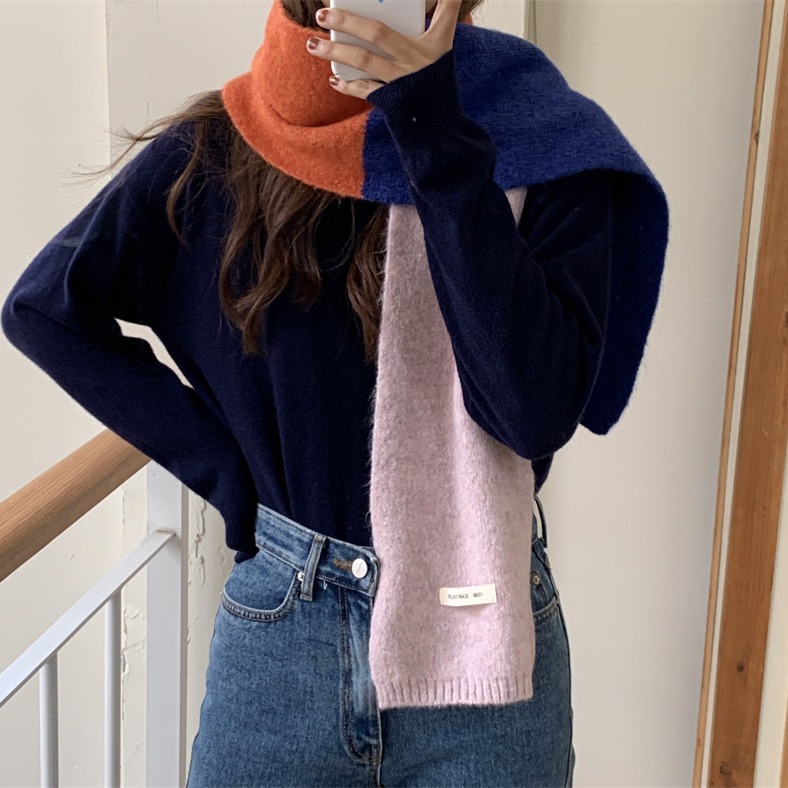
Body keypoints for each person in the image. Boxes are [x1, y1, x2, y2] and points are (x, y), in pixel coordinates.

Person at [2, 0, 642, 784]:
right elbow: (45, 310)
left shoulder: (546, 143)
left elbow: (532, 413)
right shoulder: (218, 150)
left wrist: (431, 127)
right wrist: (224, 471)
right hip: (283, 636)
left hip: (484, 631)